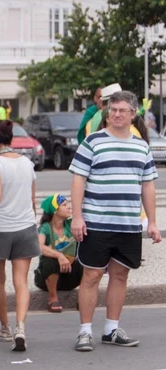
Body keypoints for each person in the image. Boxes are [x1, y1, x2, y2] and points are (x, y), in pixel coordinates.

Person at [70, 91, 161, 352]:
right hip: (96, 223)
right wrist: (77, 217)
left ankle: (111, 329)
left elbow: (148, 185)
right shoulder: (93, 141)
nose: (117, 114)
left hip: (128, 224)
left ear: (134, 114)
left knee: (120, 276)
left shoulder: (141, 146)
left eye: (123, 110)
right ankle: (84, 331)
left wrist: (151, 222)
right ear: (107, 113)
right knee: (91, 276)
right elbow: (78, 180)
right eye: (113, 109)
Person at [0, 120, 39, 352]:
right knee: (21, 281)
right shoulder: (27, 163)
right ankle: (21, 326)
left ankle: (5, 327)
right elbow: (32, 201)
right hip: (25, 226)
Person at [33, 194, 83, 313]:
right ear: (55, 210)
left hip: (70, 275)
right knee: (49, 261)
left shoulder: (70, 224)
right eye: (64, 205)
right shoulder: (45, 228)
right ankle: (52, 297)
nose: (68, 207)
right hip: (46, 279)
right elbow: (38, 246)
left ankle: (83, 299)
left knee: (87, 262)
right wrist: (59, 256)